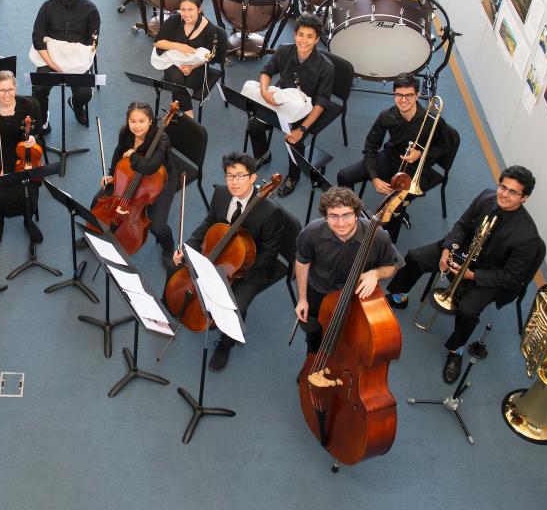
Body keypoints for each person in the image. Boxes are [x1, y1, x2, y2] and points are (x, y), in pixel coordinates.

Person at [386, 165, 544, 384]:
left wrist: (472, 276)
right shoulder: (486, 197)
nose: (504, 194)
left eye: (512, 192)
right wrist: (447, 248)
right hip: (460, 254)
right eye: (503, 187)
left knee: (469, 311)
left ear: (524, 198)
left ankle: (456, 349)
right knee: (414, 256)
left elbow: (511, 277)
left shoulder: (527, 237)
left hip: (487, 274)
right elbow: (462, 225)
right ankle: (398, 295)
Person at [173, 153, 285, 371]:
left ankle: (225, 344)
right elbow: (209, 224)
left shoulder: (271, 213)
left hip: (250, 268)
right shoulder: (222, 194)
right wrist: (186, 248)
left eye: (240, 176)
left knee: (236, 306)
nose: (234, 182)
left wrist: (236, 272)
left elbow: (269, 254)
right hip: (217, 250)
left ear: (253, 178)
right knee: (175, 265)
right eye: (229, 176)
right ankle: (179, 306)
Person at [334, 74, 450, 242]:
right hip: (390, 158)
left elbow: (444, 147)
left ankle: (389, 246)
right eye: (399, 95)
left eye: (409, 95)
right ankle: (351, 216)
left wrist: (421, 154)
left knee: (393, 211)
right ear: (394, 95)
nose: (403, 100)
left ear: (417, 95)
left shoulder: (431, 120)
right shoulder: (386, 116)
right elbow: (370, 146)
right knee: (344, 175)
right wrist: (374, 177)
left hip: (416, 168)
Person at [293, 188, 398, 356]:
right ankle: (312, 361)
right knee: (313, 334)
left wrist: (375, 274)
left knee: (352, 338)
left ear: (356, 214)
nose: (340, 223)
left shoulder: (378, 237)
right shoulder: (312, 232)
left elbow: (391, 266)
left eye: (347, 215)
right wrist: (303, 299)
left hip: (355, 297)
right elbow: (302, 261)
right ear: (325, 217)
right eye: (333, 216)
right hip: (320, 291)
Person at [245, 14, 334, 197]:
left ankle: (294, 176)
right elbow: (266, 72)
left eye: (310, 36)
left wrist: (302, 128)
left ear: (317, 40)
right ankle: (263, 154)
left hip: (306, 110)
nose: (304, 40)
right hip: (281, 100)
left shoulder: (326, 67)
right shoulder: (285, 51)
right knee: (254, 125)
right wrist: (263, 91)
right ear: (294, 35)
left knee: (294, 141)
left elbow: (321, 102)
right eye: (301, 34)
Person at [91, 102, 177, 262]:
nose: (137, 126)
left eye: (142, 121)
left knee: (157, 226)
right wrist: (112, 175)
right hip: (128, 175)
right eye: (133, 121)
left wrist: (132, 155)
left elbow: (149, 167)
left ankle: (168, 247)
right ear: (128, 121)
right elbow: (118, 154)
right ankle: (96, 229)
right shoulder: (126, 133)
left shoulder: (162, 139)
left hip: (159, 181)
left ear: (151, 121)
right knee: (98, 200)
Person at [31, 0, 100, 130]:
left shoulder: (91, 9)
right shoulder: (47, 7)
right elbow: (37, 38)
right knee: (39, 90)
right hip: (51, 58)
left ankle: (76, 105)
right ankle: (43, 118)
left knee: (84, 94)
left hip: (77, 59)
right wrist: (53, 65)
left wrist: (74, 59)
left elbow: (93, 41)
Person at [0, 71, 45, 247]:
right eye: (2, 90)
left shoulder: (27, 105)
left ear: (15, 87)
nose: (7, 94)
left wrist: (32, 139)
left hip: (22, 154)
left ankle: (27, 219)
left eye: (10, 89)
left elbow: (35, 132)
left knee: (28, 190)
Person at [152, 0, 223, 117]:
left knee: (184, 85)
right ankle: (189, 117)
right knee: (176, 81)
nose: (186, 14)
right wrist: (179, 46)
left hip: (196, 65)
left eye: (190, 9)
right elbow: (157, 43)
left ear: (199, 10)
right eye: (183, 9)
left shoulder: (210, 29)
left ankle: (177, 114)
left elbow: (211, 56)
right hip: (172, 60)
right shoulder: (174, 20)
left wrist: (192, 67)